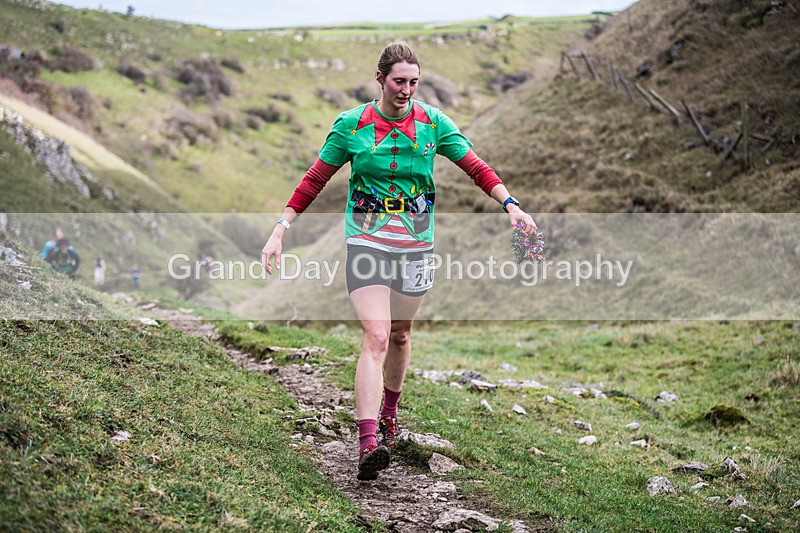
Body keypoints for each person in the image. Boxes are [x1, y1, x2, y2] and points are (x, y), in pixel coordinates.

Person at [261, 43, 537, 481]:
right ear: (380, 79)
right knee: (375, 335)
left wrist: (512, 206)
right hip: (367, 242)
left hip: (416, 245)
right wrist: (280, 229)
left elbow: (476, 167)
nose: (406, 90)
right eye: (398, 82)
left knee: (401, 336)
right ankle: (368, 442)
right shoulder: (351, 125)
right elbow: (314, 179)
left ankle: (390, 414)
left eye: (413, 82)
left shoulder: (433, 123)